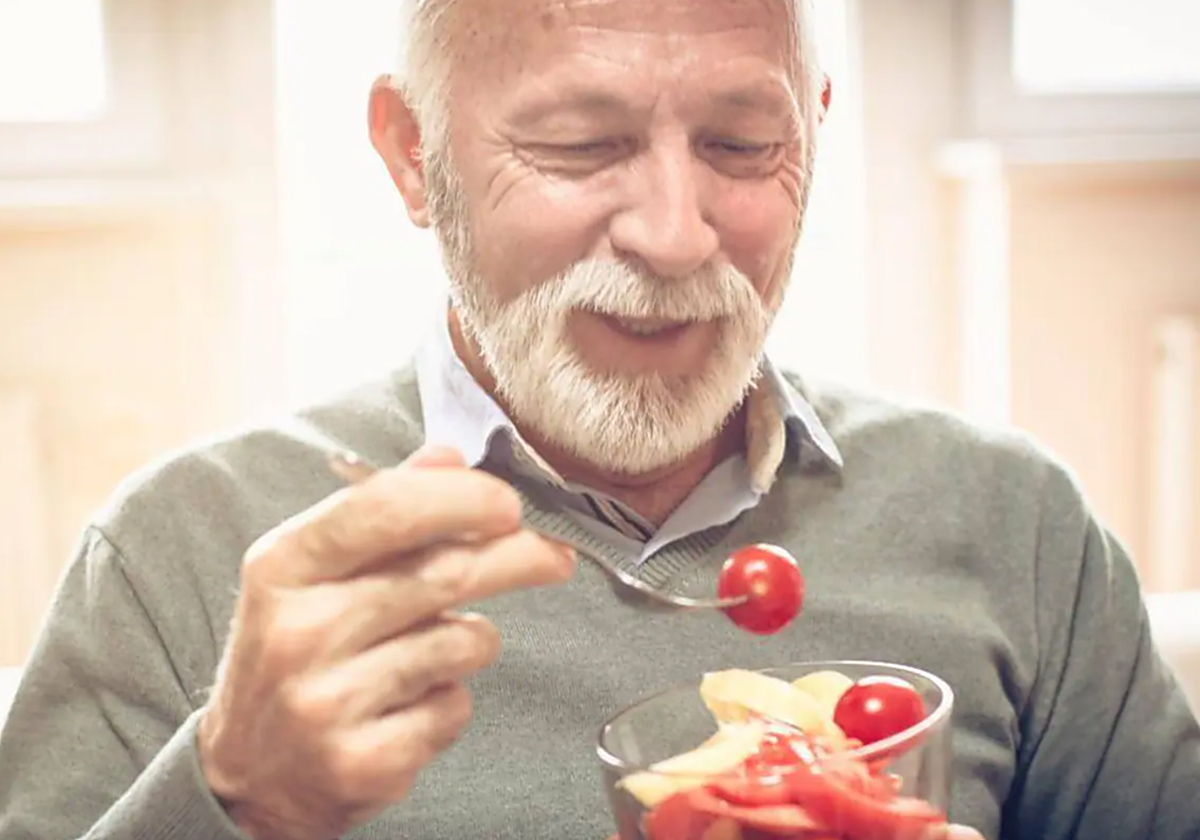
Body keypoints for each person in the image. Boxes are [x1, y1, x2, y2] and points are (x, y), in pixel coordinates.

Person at [1, 0, 1197, 838]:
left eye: (743, 143)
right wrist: (232, 800)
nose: (676, 234)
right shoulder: (179, 558)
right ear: (414, 156)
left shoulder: (1012, 522)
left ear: (816, 132)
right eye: (579, 145)